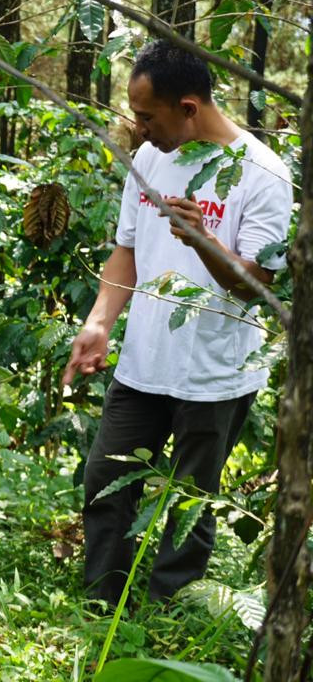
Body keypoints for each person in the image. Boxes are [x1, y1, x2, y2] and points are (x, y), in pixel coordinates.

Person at [63, 40, 293, 606]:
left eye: (147, 116)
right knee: (103, 484)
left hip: (215, 374)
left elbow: (256, 284)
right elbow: (127, 250)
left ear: (188, 107)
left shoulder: (262, 173)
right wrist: (99, 323)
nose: (139, 129)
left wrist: (203, 240)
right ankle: (102, 602)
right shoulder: (150, 159)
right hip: (141, 366)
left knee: (191, 507)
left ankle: (170, 614)